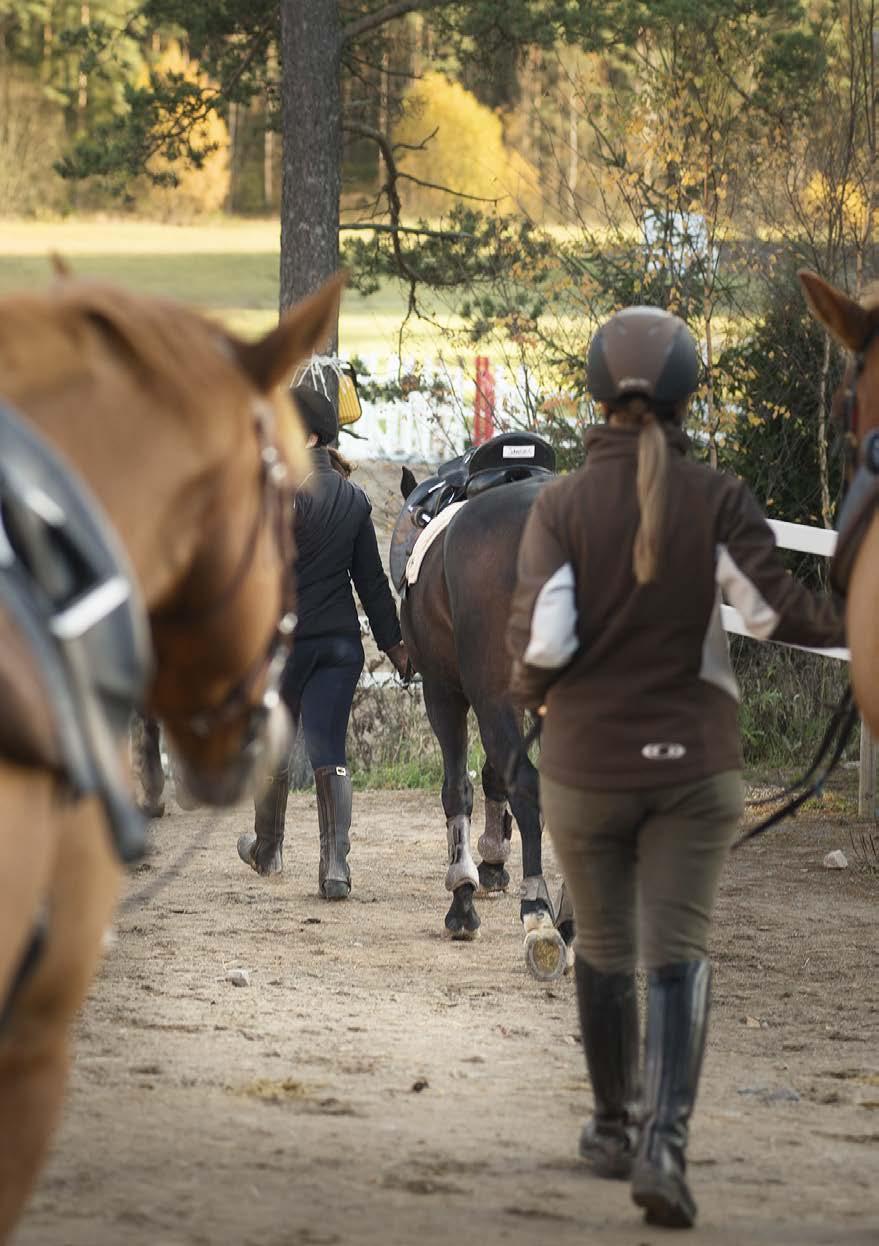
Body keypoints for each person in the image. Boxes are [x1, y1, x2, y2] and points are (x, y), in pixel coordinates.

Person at [506, 307, 844, 1229]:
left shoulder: (562, 505)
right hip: (694, 767)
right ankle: (665, 1145)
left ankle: (612, 1126)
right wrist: (858, 625)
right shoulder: (717, 495)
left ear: (592, 394)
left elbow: (544, 641)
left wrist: (533, 693)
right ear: (688, 394)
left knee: (605, 946)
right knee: (679, 948)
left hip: (584, 767)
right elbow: (774, 615)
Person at [237, 384, 411, 898]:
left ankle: (269, 850)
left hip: (284, 644)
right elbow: (372, 584)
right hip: (339, 644)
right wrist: (396, 646)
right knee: (327, 746)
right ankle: (334, 866)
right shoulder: (354, 499)